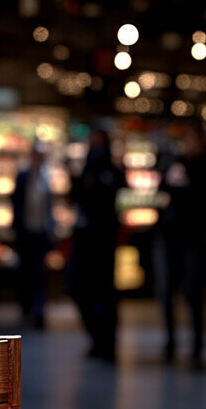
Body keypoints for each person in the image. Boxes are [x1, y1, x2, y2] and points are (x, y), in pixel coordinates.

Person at [152, 120, 206, 369]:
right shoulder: (173, 162)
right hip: (168, 235)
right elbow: (160, 191)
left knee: (193, 293)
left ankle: (196, 349)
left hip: (192, 238)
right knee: (166, 292)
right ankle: (170, 343)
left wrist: (188, 185)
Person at [67, 128, 126, 362]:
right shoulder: (88, 169)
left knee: (103, 293)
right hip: (86, 239)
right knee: (79, 288)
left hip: (102, 241)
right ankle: (99, 339)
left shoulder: (108, 171)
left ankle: (105, 342)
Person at [11, 141, 54, 329]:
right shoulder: (22, 176)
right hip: (25, 231)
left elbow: (49, 206)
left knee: (39, 273)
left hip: (41, 232)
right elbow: (15, 201)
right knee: (25, 273)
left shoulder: (47, 176)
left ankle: (38, 312)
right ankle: (26, 309)